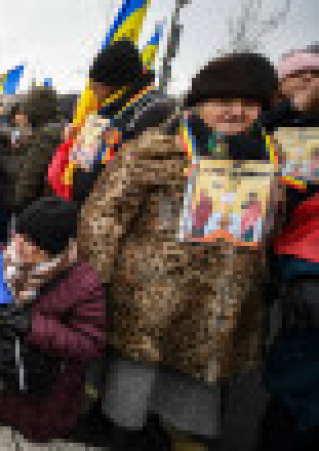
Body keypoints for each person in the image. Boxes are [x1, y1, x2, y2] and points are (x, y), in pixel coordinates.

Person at [78, 53, 281, 449]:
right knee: (132, 394)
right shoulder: (157, 149)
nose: (236, 112)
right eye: (225, 101)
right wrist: (95, 282)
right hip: (149, 300)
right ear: (200, 102)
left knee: (188, 403)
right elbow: (103, 216)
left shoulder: (271, 158)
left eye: (249, 103)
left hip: (217, 305)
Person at [0, 197, 106, 443]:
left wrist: (31, 325)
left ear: (54, 249)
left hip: (47, 394)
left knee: (36, 432)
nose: (18, 245)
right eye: (19, 235)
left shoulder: (84, 283)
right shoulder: (6, 261)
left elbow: (89, 345)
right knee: (0, 412)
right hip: (4, 377)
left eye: (31, 243)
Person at [258, 46, 319, 451]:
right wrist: (289, 110)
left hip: (305, 253)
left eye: (311, 76)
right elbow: (242, 145)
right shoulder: (272, 119)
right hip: (277, 246)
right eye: (296, 77)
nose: (305, 84)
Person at [50, 38, 175, 207]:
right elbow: (84, 161)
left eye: (96, 87)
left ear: (114, 84)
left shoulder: (153, 111)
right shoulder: (107, 111)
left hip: (117, 213)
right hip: (88, 210)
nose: (93, 93)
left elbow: (132, 173)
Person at [0, 87, 64, 243]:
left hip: (35, 207)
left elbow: (31, 174)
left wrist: (18, 203)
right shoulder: (59, 129)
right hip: (49, 204)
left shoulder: (46, 135)